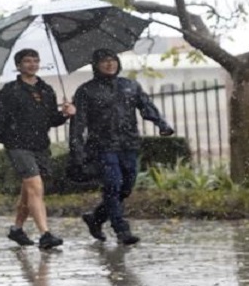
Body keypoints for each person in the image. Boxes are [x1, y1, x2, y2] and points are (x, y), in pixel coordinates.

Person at [69, 48, 175, 245]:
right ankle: (121, 230)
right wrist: (77, 151)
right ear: (96, 65)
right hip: (102, 146)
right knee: (113, 185)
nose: (110, 64)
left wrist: (161, 124)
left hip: (129, 143)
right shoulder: (86, 91)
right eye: (104, 61)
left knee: (125, 188)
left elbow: (146, 106)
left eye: (113, 60)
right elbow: (78, 124)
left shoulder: (130, 86)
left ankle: (96, 218)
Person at [0, 48, 75, 250]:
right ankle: (45, 234)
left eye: (35, 60)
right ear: (19, 65)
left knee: (29, 190)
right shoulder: (9, 92)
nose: (32, 64)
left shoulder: (46, 90)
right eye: (27, 61)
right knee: (35, 186)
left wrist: (66, 114)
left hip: (40, 146)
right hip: (17, 145)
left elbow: (51, 120)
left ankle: (17, 229)